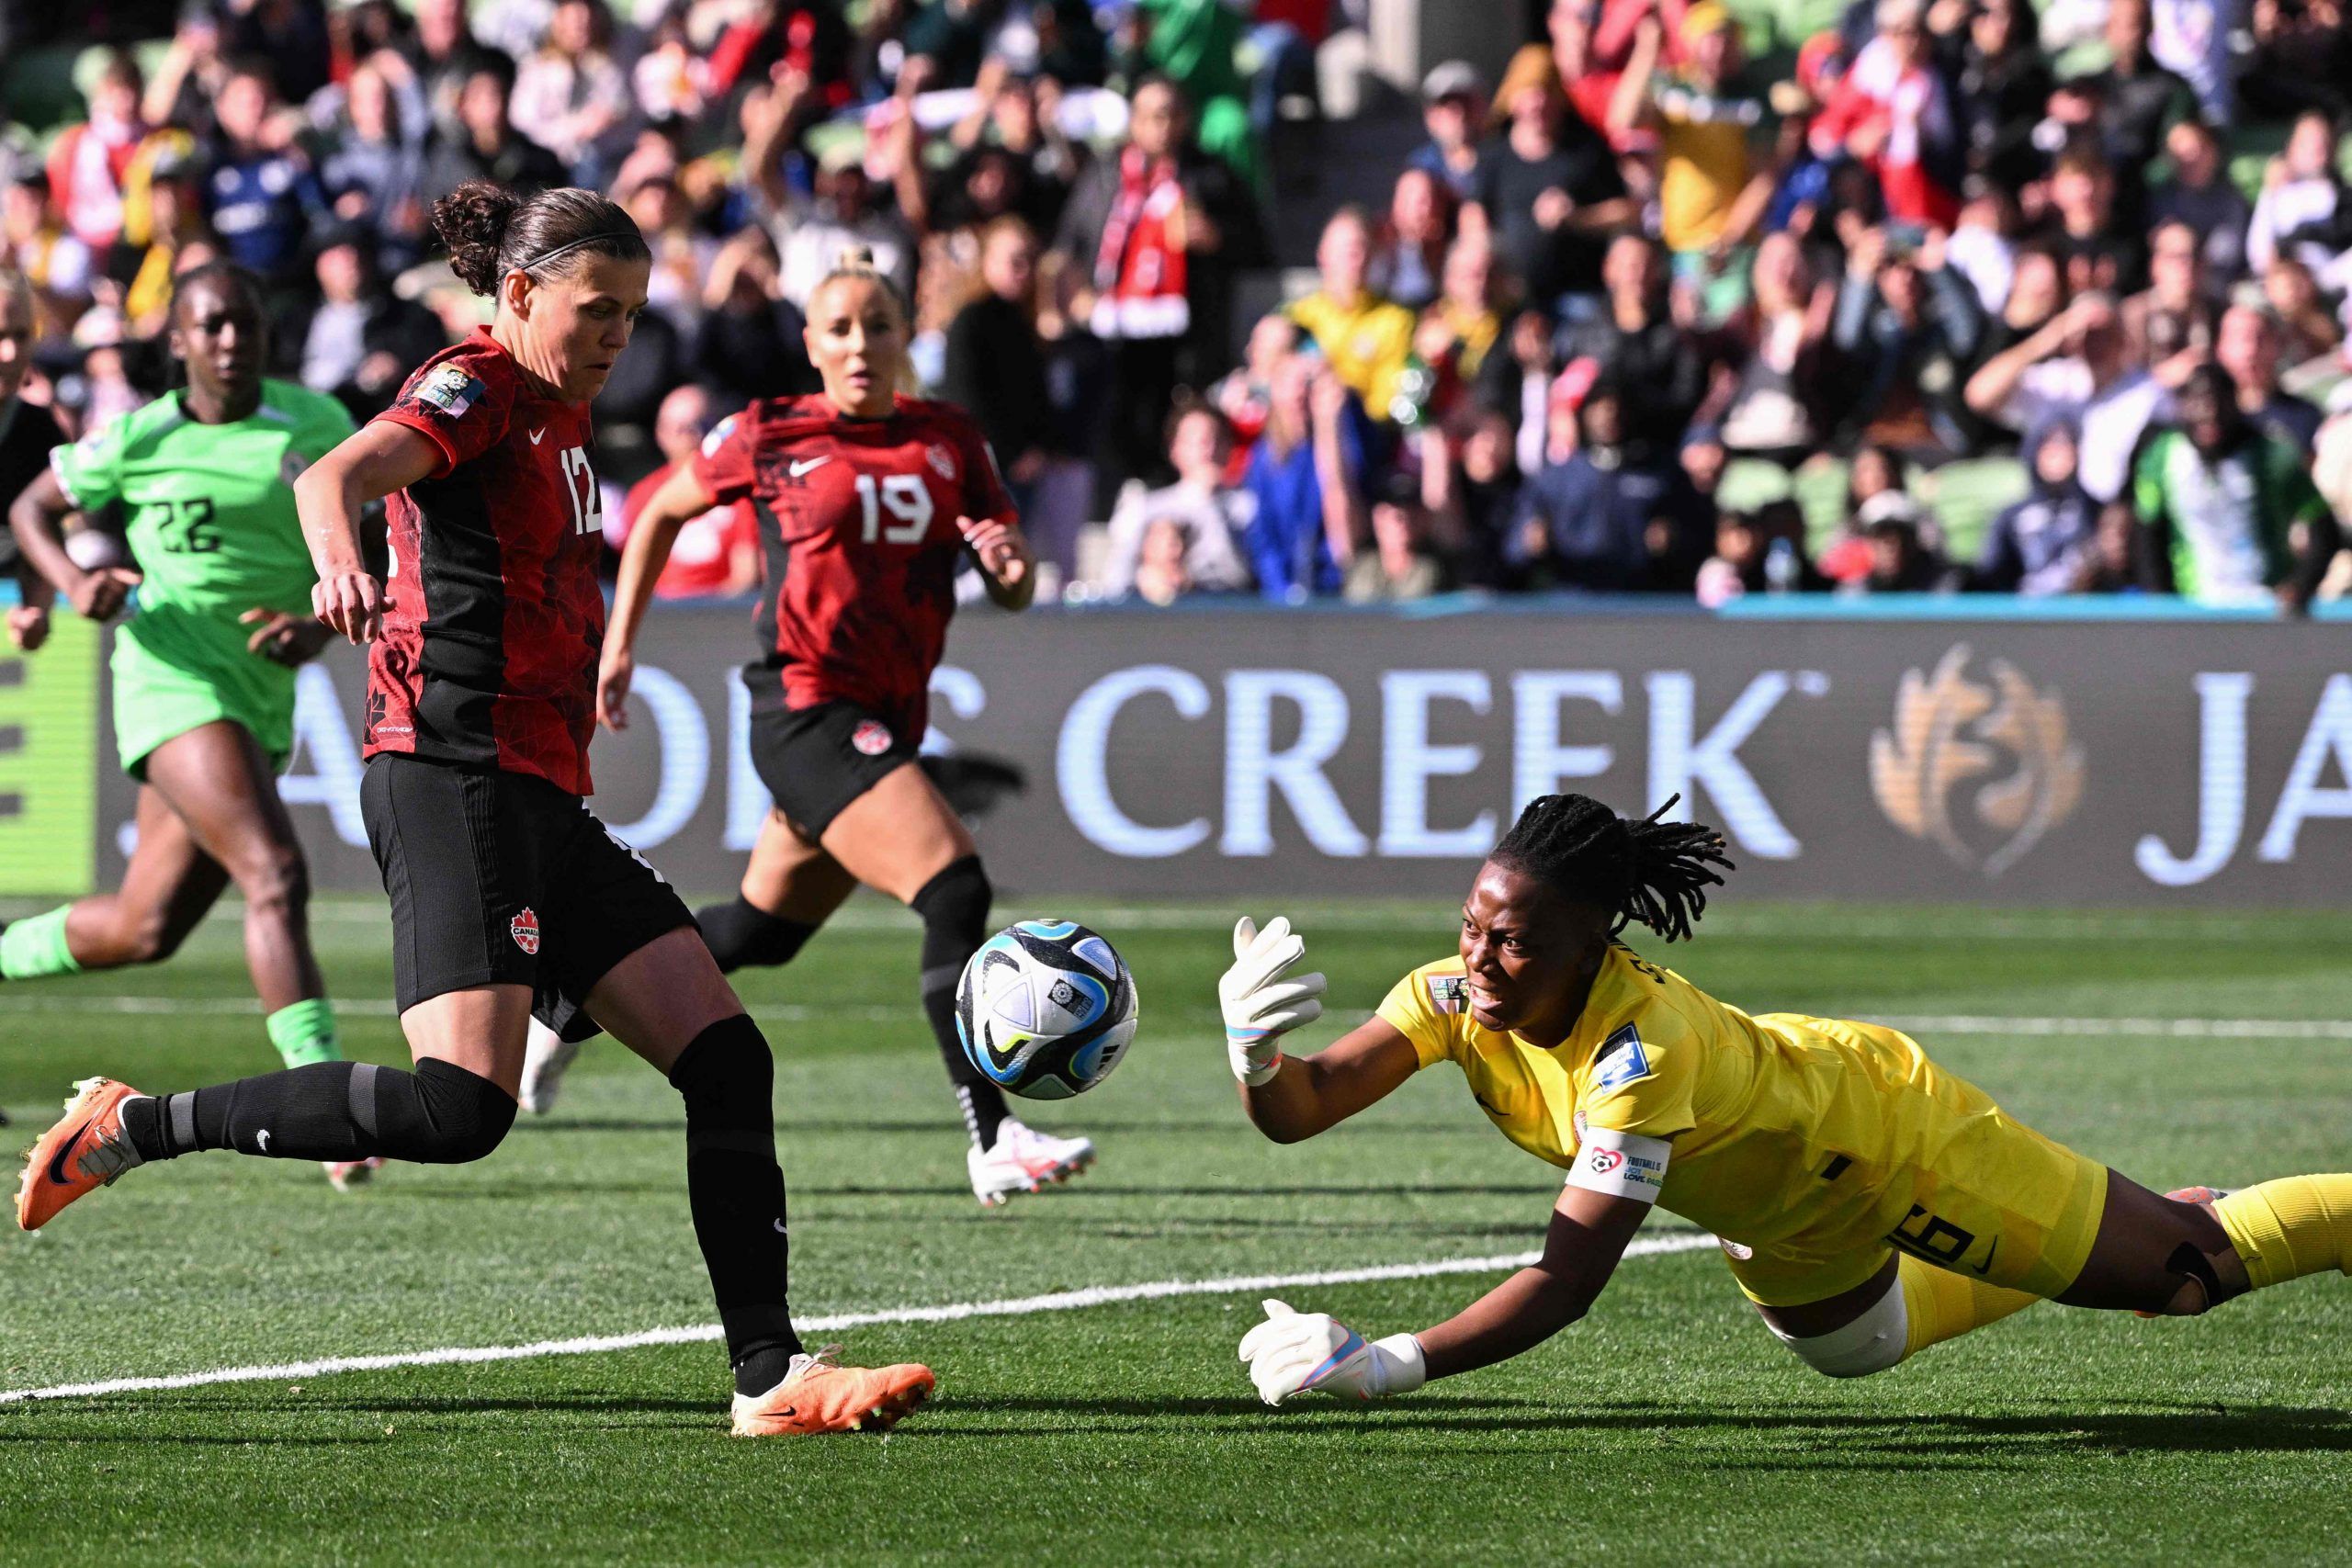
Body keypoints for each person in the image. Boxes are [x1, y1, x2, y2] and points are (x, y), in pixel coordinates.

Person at [13, 186, 935, 1438]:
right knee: (460, 1110)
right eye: (593, 308)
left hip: (538, 792)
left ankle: (769, 1376)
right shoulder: (481, 383)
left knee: (728, 1055)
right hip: (452, 777)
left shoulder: (556, 410)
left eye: (630, 311)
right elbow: (341, 471)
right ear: (517, 295)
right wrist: (340, 555)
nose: (616, 333)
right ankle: (131, 1125)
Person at [1219, 793, 2352, 1408]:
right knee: (1856, 1350)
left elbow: (1565, 1284)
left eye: (1514, 943)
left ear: (1591, 946)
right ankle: (2107, 1226)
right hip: (1781, 1209)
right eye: (1472, 926)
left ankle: (2225, 1224)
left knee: (2187, 1276)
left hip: (1882, 1139)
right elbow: (1306, 1105)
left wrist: (1393, 1363)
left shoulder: (1639, 1055)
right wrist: (1256, 1056)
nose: (1479, 961)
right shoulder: (1449, 997)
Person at [589, 247, 1095, 1210]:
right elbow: (655, 515)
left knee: (758, 934)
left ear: (907, 338)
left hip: (883, 719)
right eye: (841, 327)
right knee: (954, 884)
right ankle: (994, 1137)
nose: (861, 344)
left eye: (880, 325)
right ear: (812, 343)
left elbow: (1015, 586)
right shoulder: (770, 432)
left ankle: (570, 998)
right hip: (803, 710)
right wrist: (620, 645)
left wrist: (1006, 560)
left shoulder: (949, 439)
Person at [4, 262, 365, 1189]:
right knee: (274, 874)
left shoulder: (318, 426)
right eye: (211, 327)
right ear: (178, 342)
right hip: (170, 676)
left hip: (259, 692)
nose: (231, 341)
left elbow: (380, 552)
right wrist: (79, 582)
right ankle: (326, 1105)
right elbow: (32, 507)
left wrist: (319, 622)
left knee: (143, 926)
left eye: (244, 323)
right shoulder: (139, 434)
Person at [2132, 362, 2341, 613]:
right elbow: (2148, 535)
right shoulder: (2161, 457)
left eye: (2219, 402)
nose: (2209, 412)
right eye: (2198, 402)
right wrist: (2164, 606)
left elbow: (2323, 527)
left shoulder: (2273, 454)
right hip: (2193, 610)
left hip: (2263, 608)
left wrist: (2300, 585)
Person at [0, 270, 63, 645]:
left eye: (20, 336)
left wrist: (37, 613)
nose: (10, 353)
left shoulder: (39, 431)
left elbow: (46, 536)